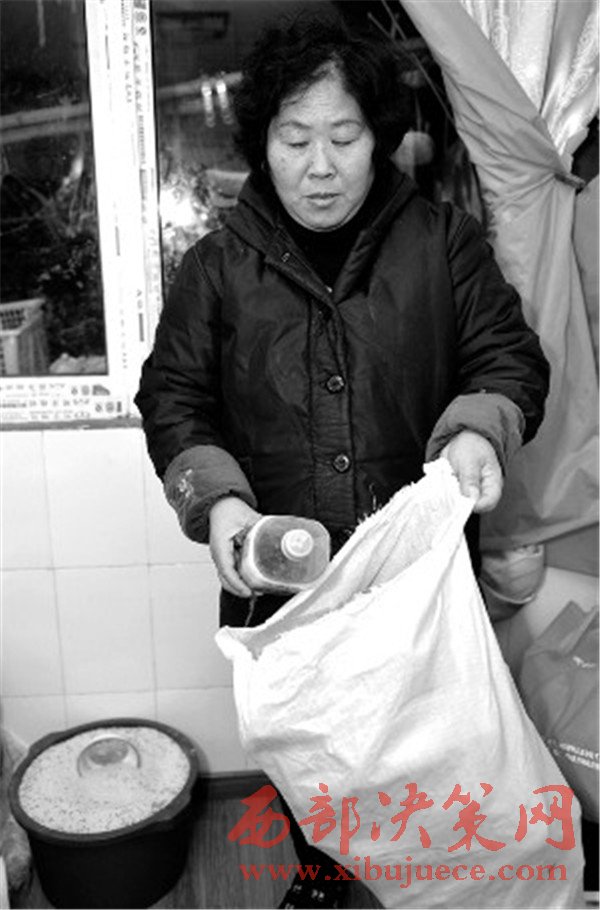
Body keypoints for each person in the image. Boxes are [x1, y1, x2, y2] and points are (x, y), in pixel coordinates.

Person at [136, 11, 550, 908]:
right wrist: (218, 502)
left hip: (413, 577)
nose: (319, 166)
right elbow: (172, 398)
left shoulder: (443, 244)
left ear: (380, 139)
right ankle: (321, 874)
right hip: (282, 574)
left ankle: (433, 879)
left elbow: (509, 359)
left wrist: (479, 428)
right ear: (263, 144)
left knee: (428, 744)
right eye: (295, 140)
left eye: (344, 137)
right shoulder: (216, 268)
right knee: (312, 752)